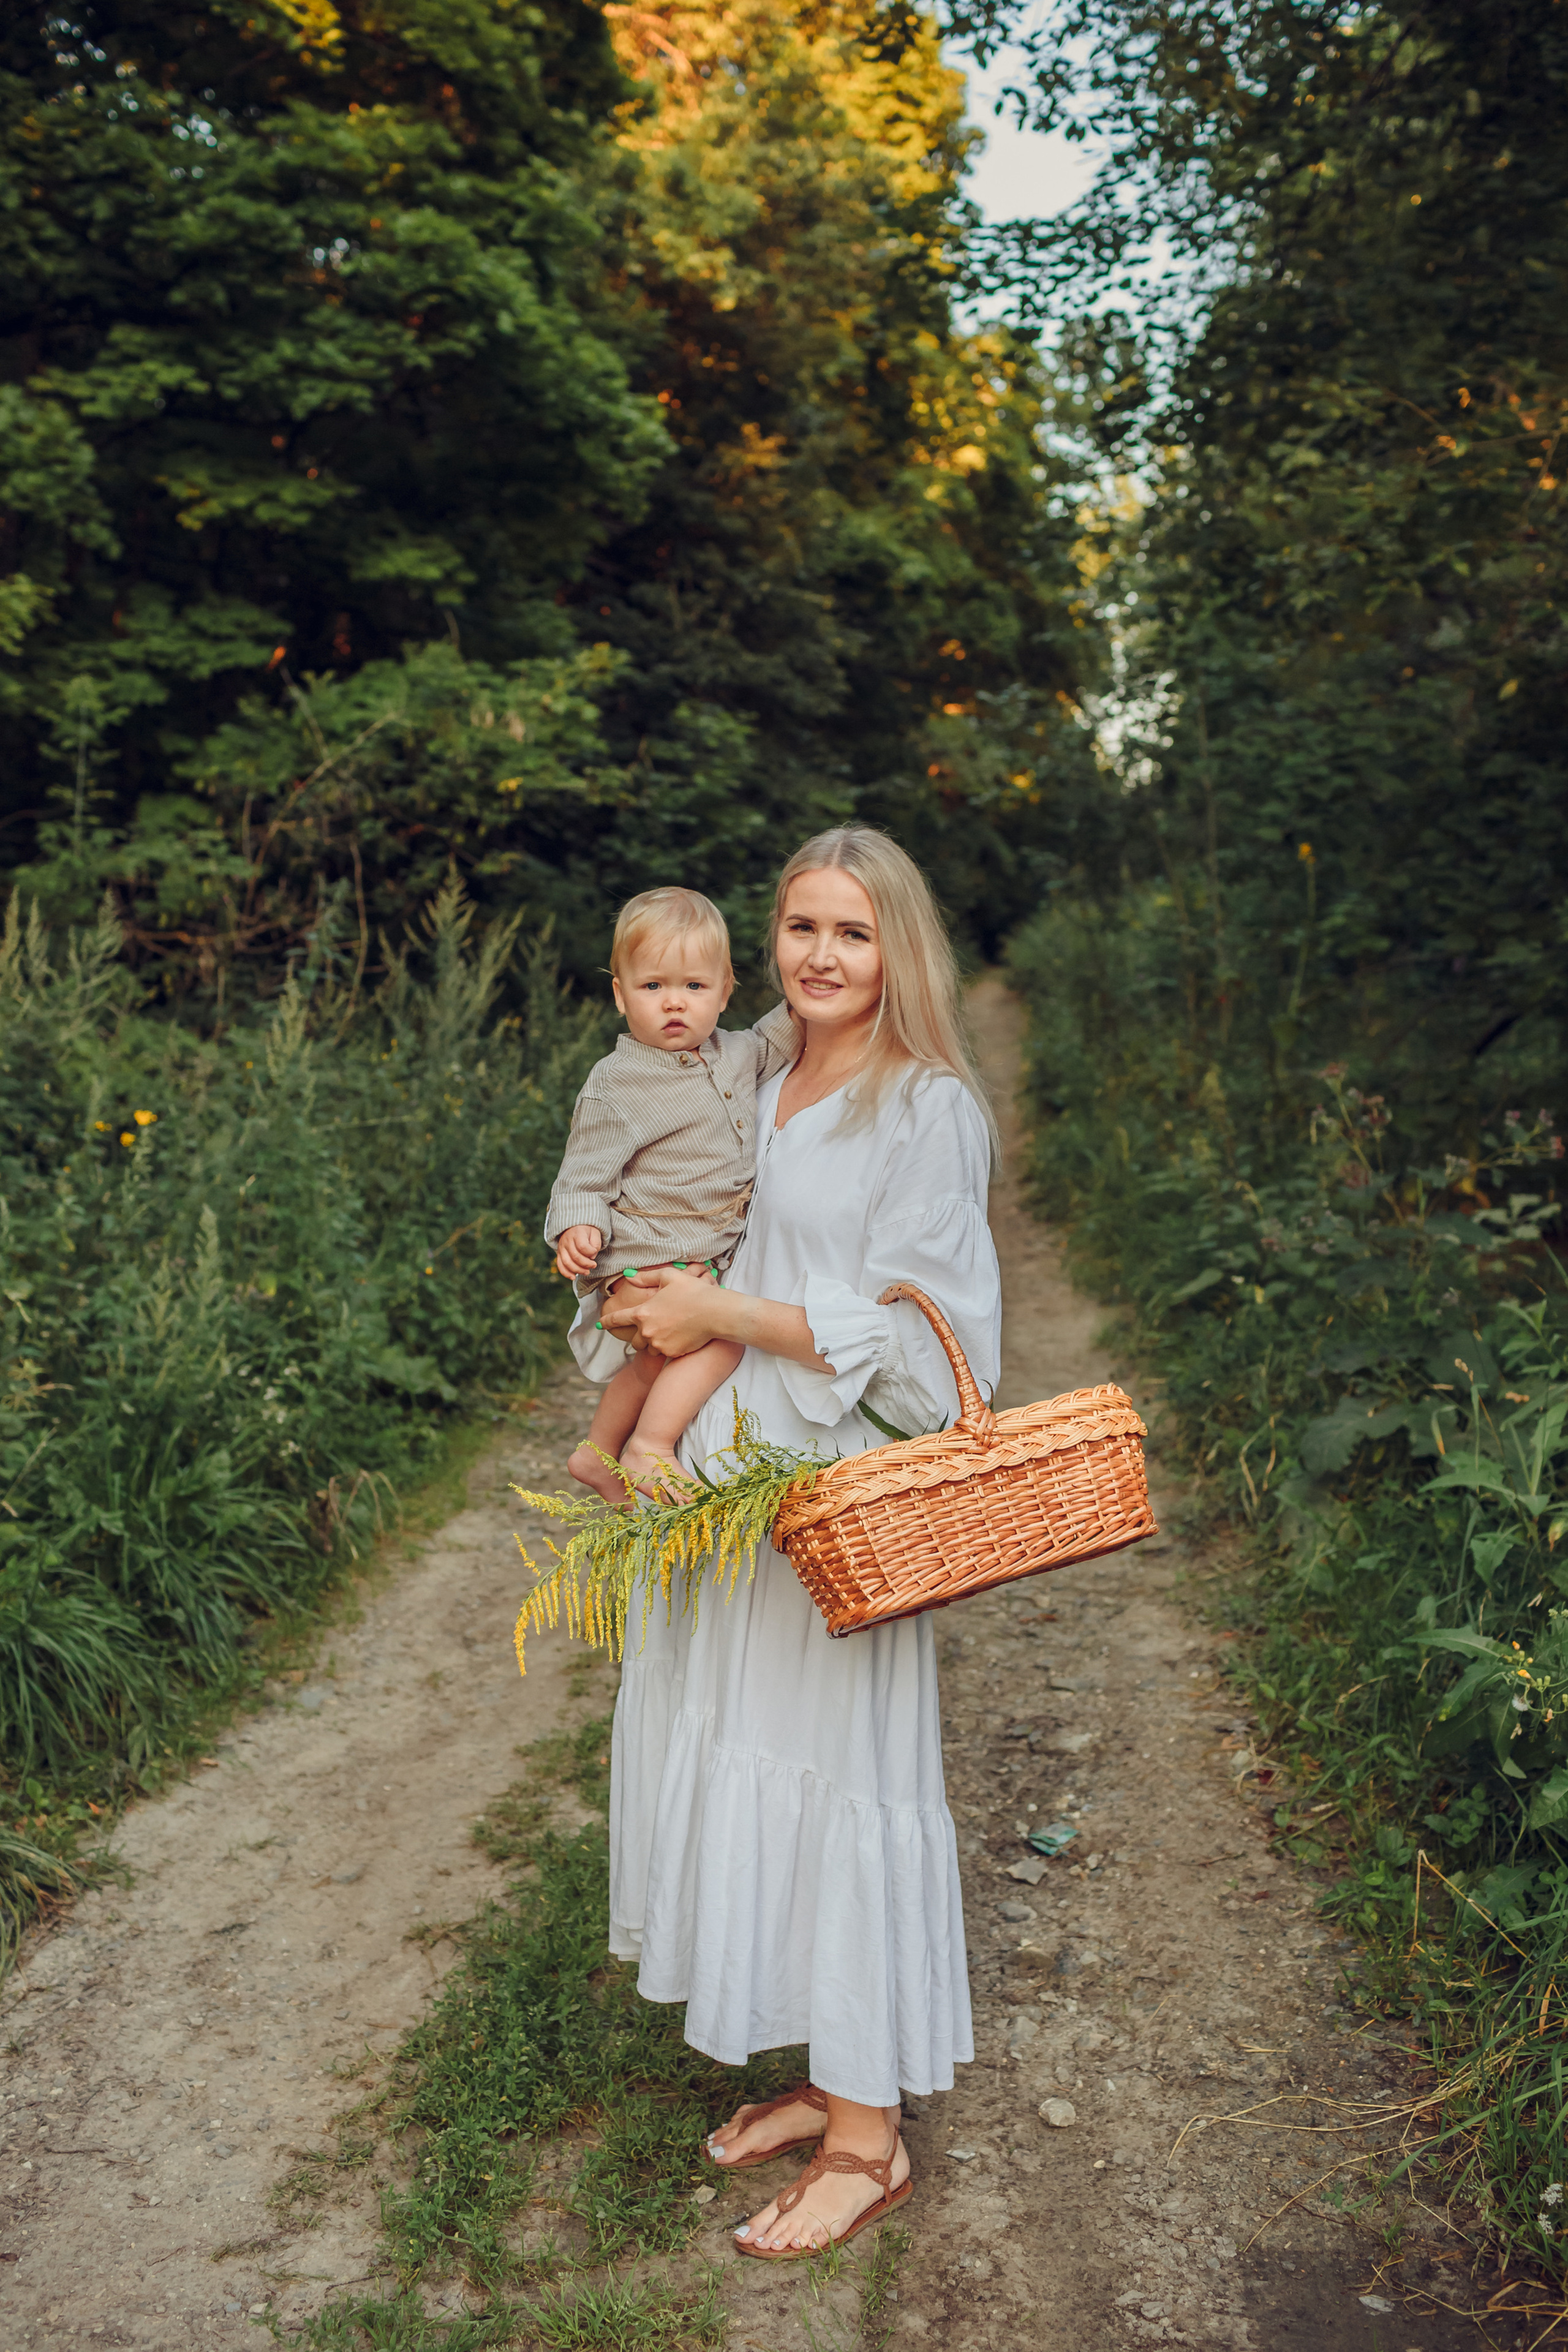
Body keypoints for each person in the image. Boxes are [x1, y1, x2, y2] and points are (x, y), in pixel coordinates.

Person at [599, 825, 1001, 2259]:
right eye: (799, 928)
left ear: (898, 947)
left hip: (832, 1494)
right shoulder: (756, 1067)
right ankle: (831, 2068)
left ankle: (867, 2143)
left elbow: (920, 1349)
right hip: (729, 1496)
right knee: (747, 1746)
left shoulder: (924, 1106)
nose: (821, 956)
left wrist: (722, 1321)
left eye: (851, 931)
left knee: (840, 1779)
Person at [545, 886, 797, 1501]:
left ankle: (597, 1455)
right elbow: (583, 1170)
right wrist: (578, 1226)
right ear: (619, 995)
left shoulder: (737, 1053)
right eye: (653, 987)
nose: (674, 1004)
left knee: (655, 1361)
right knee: (724, 1342)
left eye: (694, 987)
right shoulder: (617, 1083)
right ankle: (648, 1447)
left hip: (696, 1258)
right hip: (644, 1253)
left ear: (725, 991)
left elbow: (785, 1032)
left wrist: (813, 997)